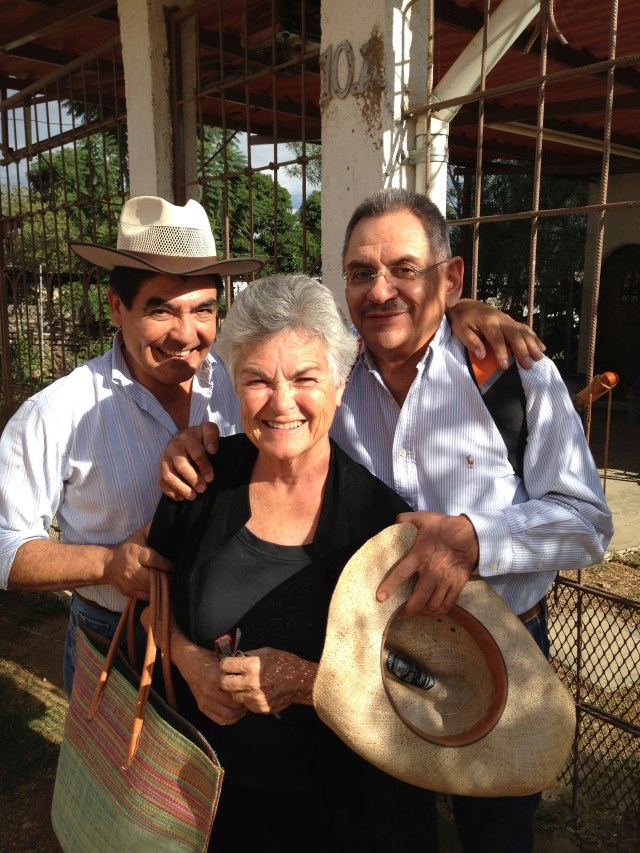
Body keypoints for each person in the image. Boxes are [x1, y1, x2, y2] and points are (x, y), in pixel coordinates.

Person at [158, 188, 613, 853]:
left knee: (496, 831)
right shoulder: (332, 376)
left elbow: (586, 521)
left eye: (405, 269)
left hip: (494, 648)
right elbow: (265, 421)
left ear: (451, 278)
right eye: (362, 272)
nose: (381, 290)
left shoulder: (511, 374)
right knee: (389, 821)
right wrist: (190, 443)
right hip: (367, 655)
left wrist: (475, 536)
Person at [147, 273, 438, 852]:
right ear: (234, 385)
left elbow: (422, 686)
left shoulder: (386, 525)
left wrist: (306, 682)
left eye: (305, 377)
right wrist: (186, 658)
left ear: (339, 381)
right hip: (206, 798)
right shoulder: (201, 480)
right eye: (257, 379)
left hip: (344, 812)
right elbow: (153, 589)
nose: (282, 403)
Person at [0, 195, 262, 695]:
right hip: (115, 640)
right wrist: (107, 565)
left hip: (227, 635)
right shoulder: (56, 412)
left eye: (203, 309)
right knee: (119, 771)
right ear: (117, 307)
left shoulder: (238, 385)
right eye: (161, 310)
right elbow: (4, 546)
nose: (186, 334)